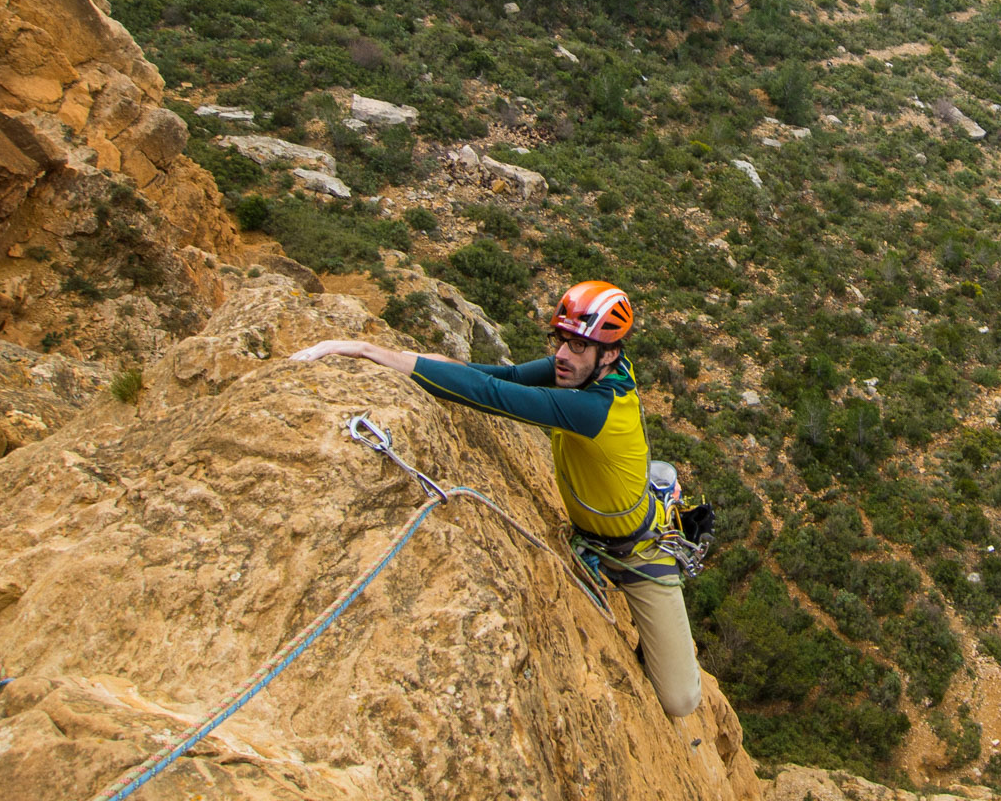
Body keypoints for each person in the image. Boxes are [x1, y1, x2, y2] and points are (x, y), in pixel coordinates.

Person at [291, 280, 704, 717]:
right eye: (560, 341)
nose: (562, 355)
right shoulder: (590, 370)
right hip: (594, 533)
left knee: (681, 700)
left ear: (610, 353)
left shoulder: (595, 409)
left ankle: (660, 492)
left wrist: (371, 352)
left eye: (578, 347)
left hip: (637, 549)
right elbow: (496, 375)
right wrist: (383, 353)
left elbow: (493, 396)